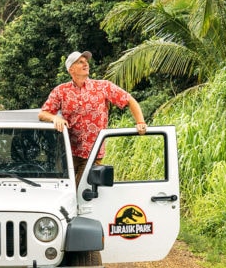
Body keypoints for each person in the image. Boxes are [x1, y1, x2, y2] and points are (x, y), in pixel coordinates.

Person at [38, 51, 146, 181]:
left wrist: (141, 122)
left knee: (82, 192)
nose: (86, 64)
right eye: (80, 62)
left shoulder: (103, 87)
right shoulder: (61, 91)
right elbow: (43, 113)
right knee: (64, 191)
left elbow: (129, 100)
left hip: (93, 153)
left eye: (86, 62)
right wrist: (55, 118)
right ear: (71, 69)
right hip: (67, 152)